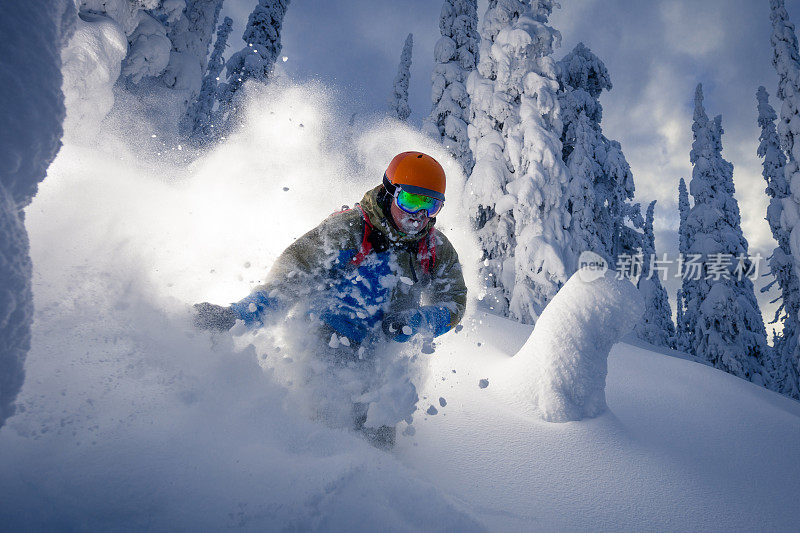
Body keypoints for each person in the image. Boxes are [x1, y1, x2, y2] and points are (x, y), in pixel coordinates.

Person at [193, 151, 467, 447]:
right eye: (411, 201)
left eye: (431, 205)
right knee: (324, 431)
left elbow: (454, 302)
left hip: (379, 360)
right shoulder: (346, 231)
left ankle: (378, 484)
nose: (419, 216)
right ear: (389, 194)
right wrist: (241, 315)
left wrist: (419, 321)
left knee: (377, 443)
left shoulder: (434, 248)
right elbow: (289, 279)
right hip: (325, 348)